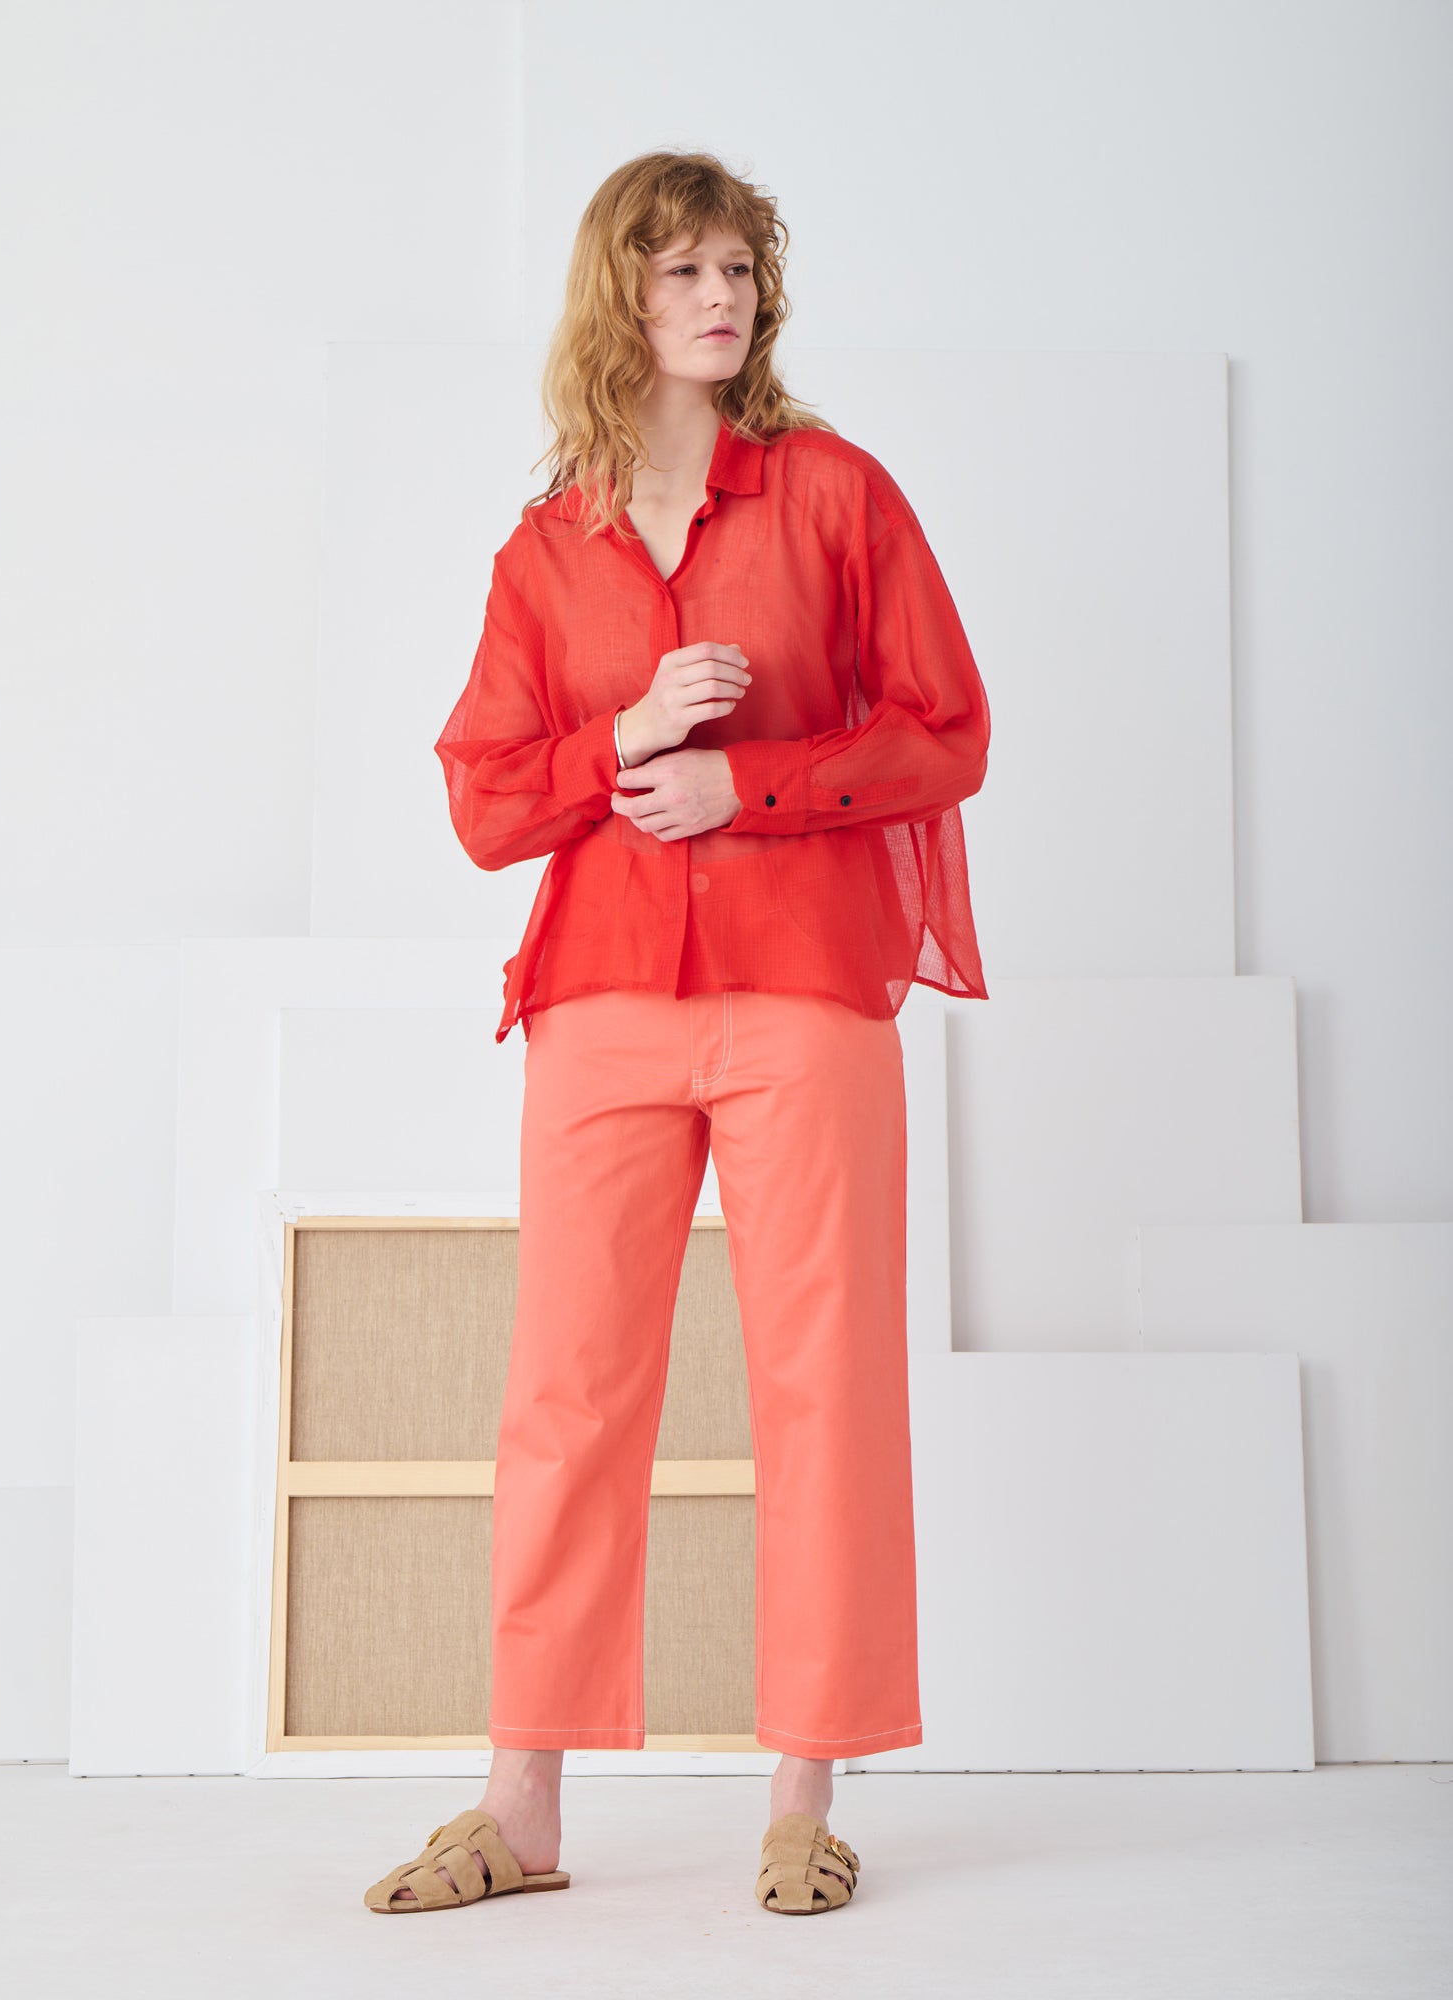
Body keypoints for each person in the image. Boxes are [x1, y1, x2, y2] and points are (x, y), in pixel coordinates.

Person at [363, 149, 991, 1919]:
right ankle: (523, 1809)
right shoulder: (546, 546)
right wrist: (628, 738)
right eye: (682, 272)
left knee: (824, 1386)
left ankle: (805, 1795)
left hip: (804, 1001)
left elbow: (946, 730)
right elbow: (488, 803)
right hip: (603, 1007)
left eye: (738, 269)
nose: (720, 299)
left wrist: (750, 785)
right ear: (618, 299)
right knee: (564, 1394)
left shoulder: (837, 495)